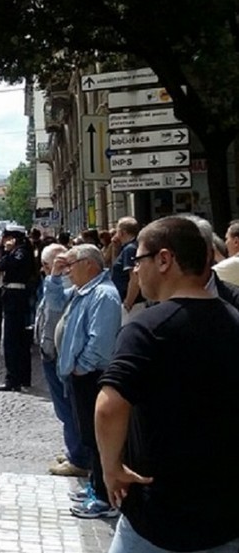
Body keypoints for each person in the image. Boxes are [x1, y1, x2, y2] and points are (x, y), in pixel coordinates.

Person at [96, 216, 239, 552]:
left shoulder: (145, 328)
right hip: (225, 513)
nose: (134, 271)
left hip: (158, 513)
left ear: (164, 259)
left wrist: (111, 468)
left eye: (138, 260)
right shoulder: (234, 318)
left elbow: (108, 406)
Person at [44, 244, 121, 518]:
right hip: (80, 376)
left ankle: (104, 499)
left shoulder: (103, 295)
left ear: (89, 264)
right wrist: (54, 275)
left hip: (91, 377)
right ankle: (96, 487)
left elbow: (100, 341)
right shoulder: (82, 290)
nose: (68, 270)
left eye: (71, 265)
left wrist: (81, 367)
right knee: (89, 437)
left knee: (98, 438)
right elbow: (54, 302)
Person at [36, 243, 89, 478]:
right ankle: (73, 451)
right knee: (64, 408)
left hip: (60, 354)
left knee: (68, 409)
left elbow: (56, 307)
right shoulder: (58, 282)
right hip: (53, 351)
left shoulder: (68, 282)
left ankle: (78, 458)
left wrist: (56, 276)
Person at [0, 226, 35, 391]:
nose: (4, 241)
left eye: (7, 237)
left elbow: (4, 266)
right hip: (16, 297)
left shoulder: (20, 253)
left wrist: (6, 252)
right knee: (21, 341)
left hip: (16, 298)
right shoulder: (23, 251)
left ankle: (13, 379)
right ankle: (23, 377)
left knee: (12, 341)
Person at [111, 217, 144, 324]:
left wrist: (128, 303)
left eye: (117, 231)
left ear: (122, 232)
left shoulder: (130, 249)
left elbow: (134, 278)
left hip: (132, 304)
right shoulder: (130, 247)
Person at [211, 219, 239, 286]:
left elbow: (204, 278)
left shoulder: (235, 264)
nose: (225, 243)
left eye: (227, 239)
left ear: (236, 242)